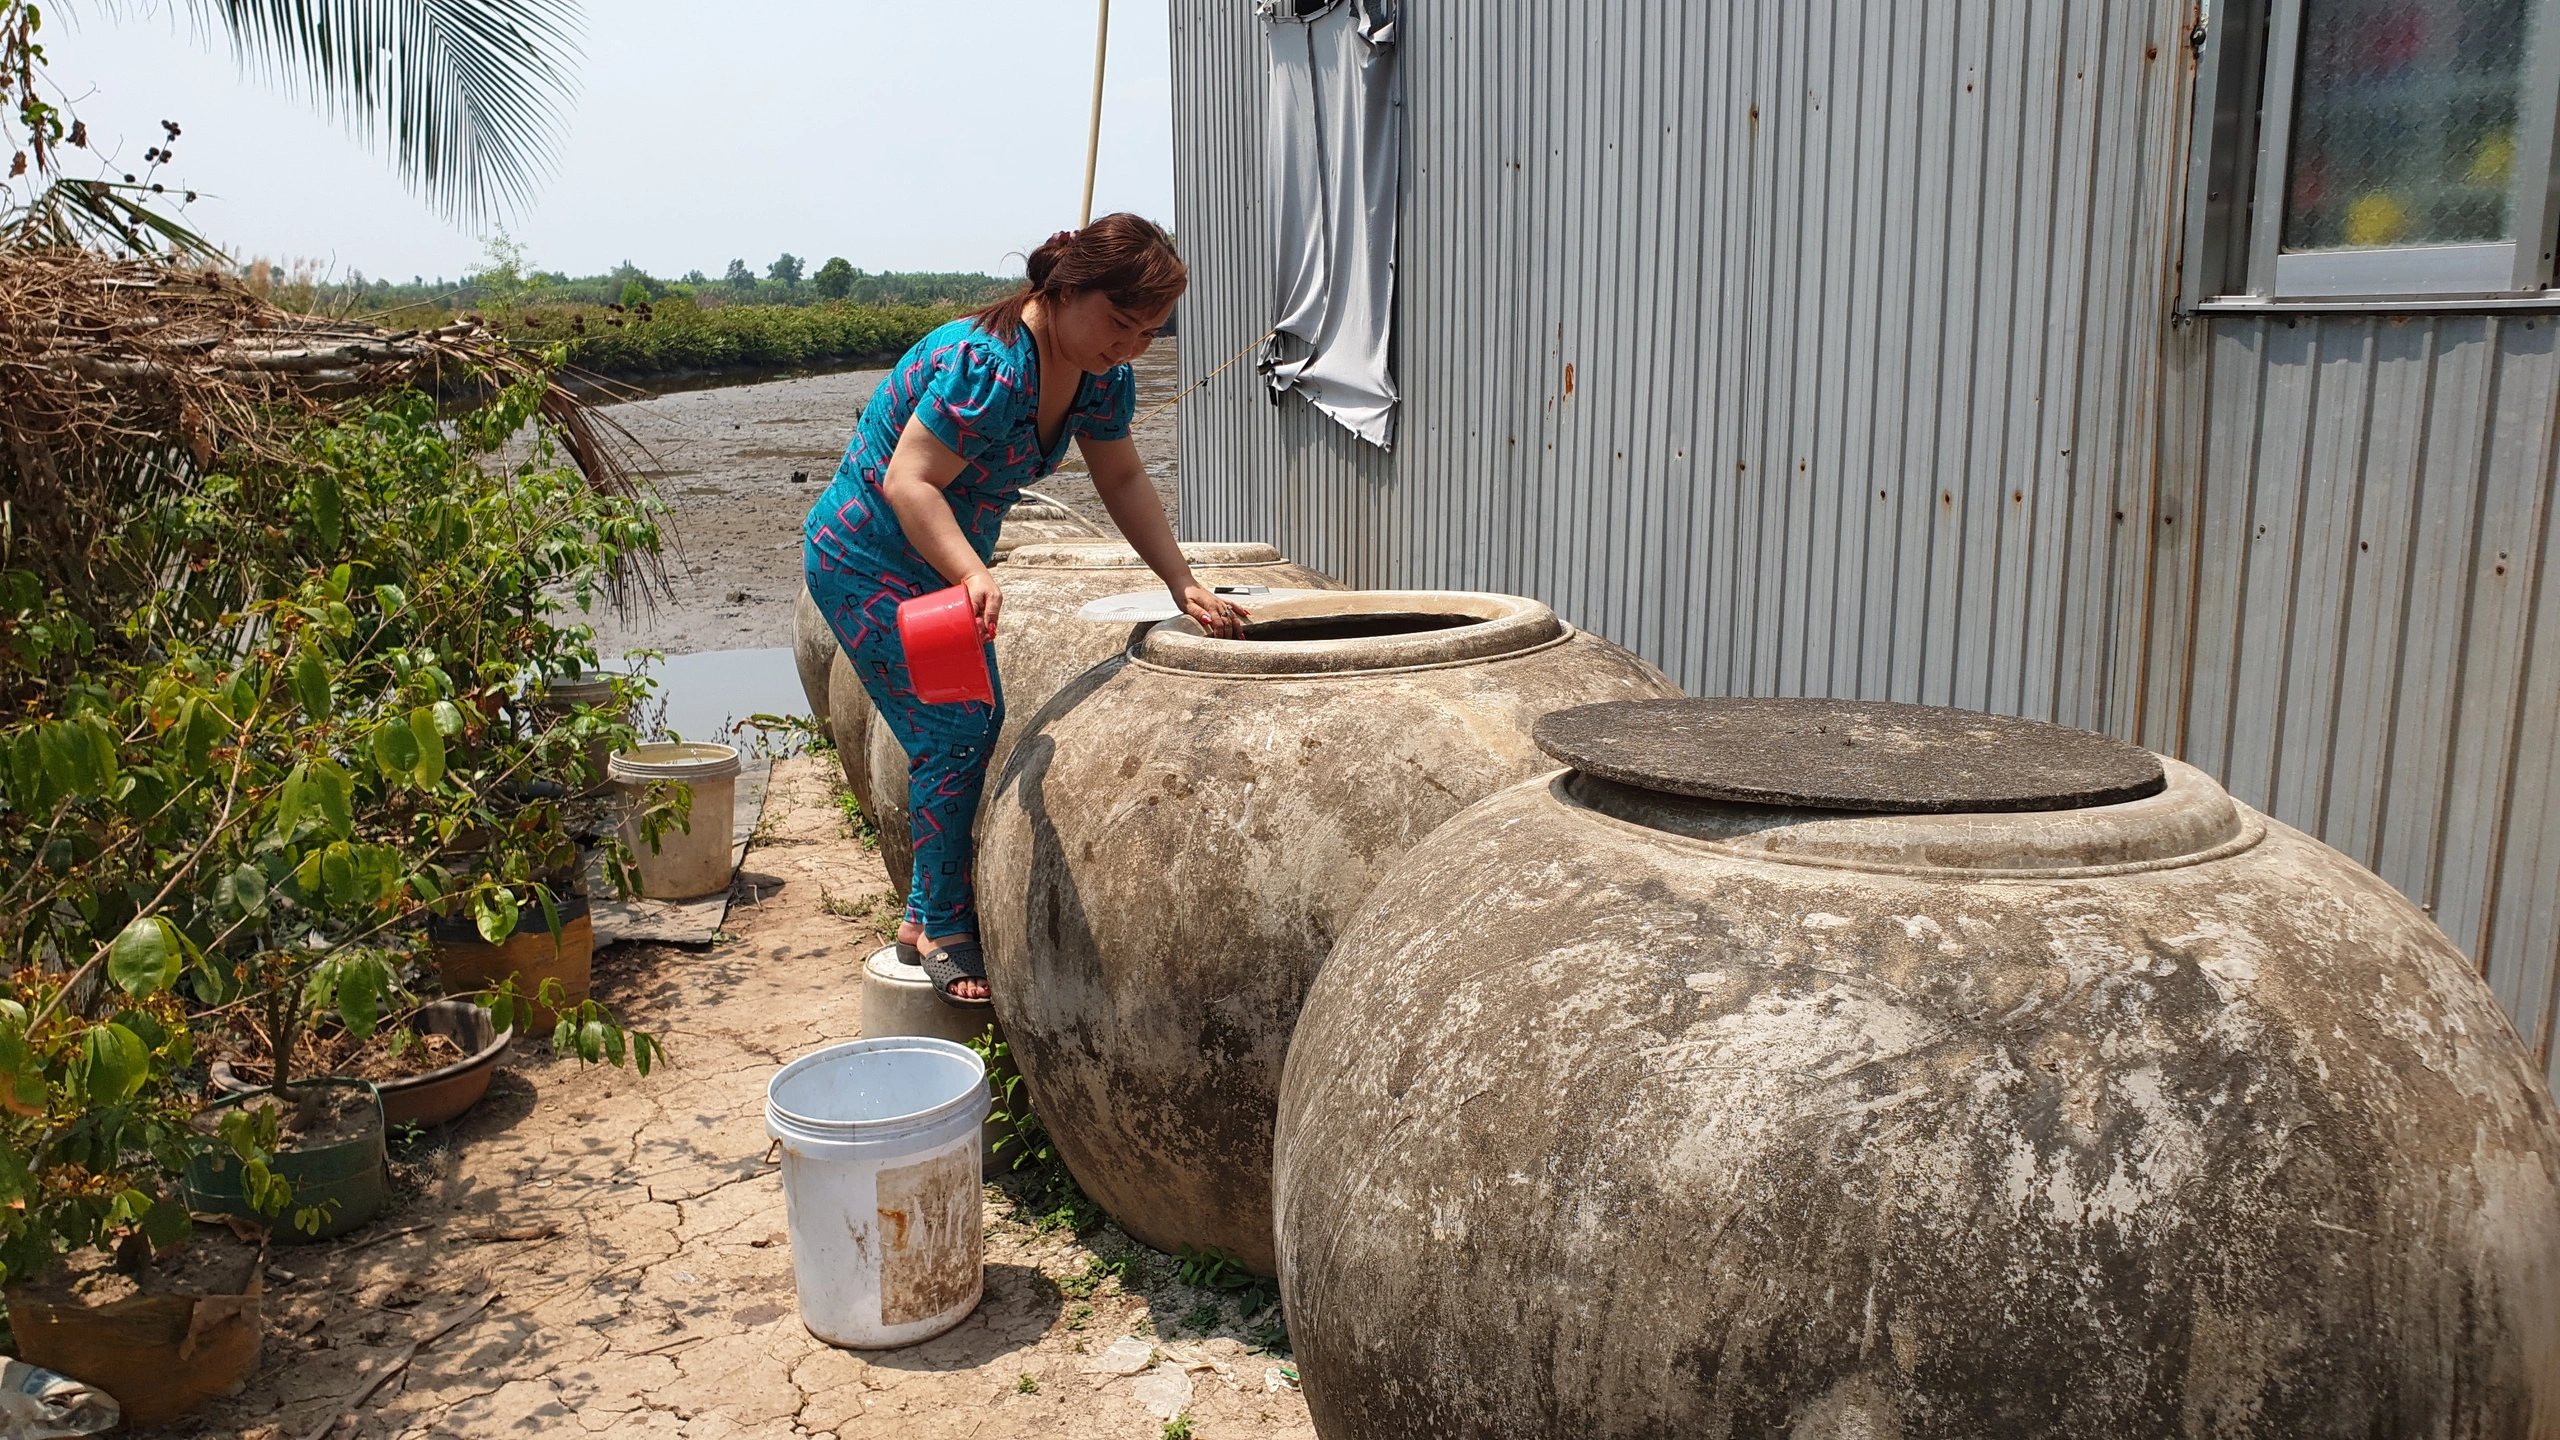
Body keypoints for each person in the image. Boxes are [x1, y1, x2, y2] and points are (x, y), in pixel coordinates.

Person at [802, 213, 1244, 1008]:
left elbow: (1122, 481)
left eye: (1148, 332)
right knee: (957, 722)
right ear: (1067, 288)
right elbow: (909, 482)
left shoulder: (1102, 376)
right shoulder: (990, 367)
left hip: (936, 561)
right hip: (866, 555)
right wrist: (972, 570)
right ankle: (938, 923)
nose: (1129, 345)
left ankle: (925, 916)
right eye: (1118, 322)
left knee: (962, 719)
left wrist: (1185, 582)